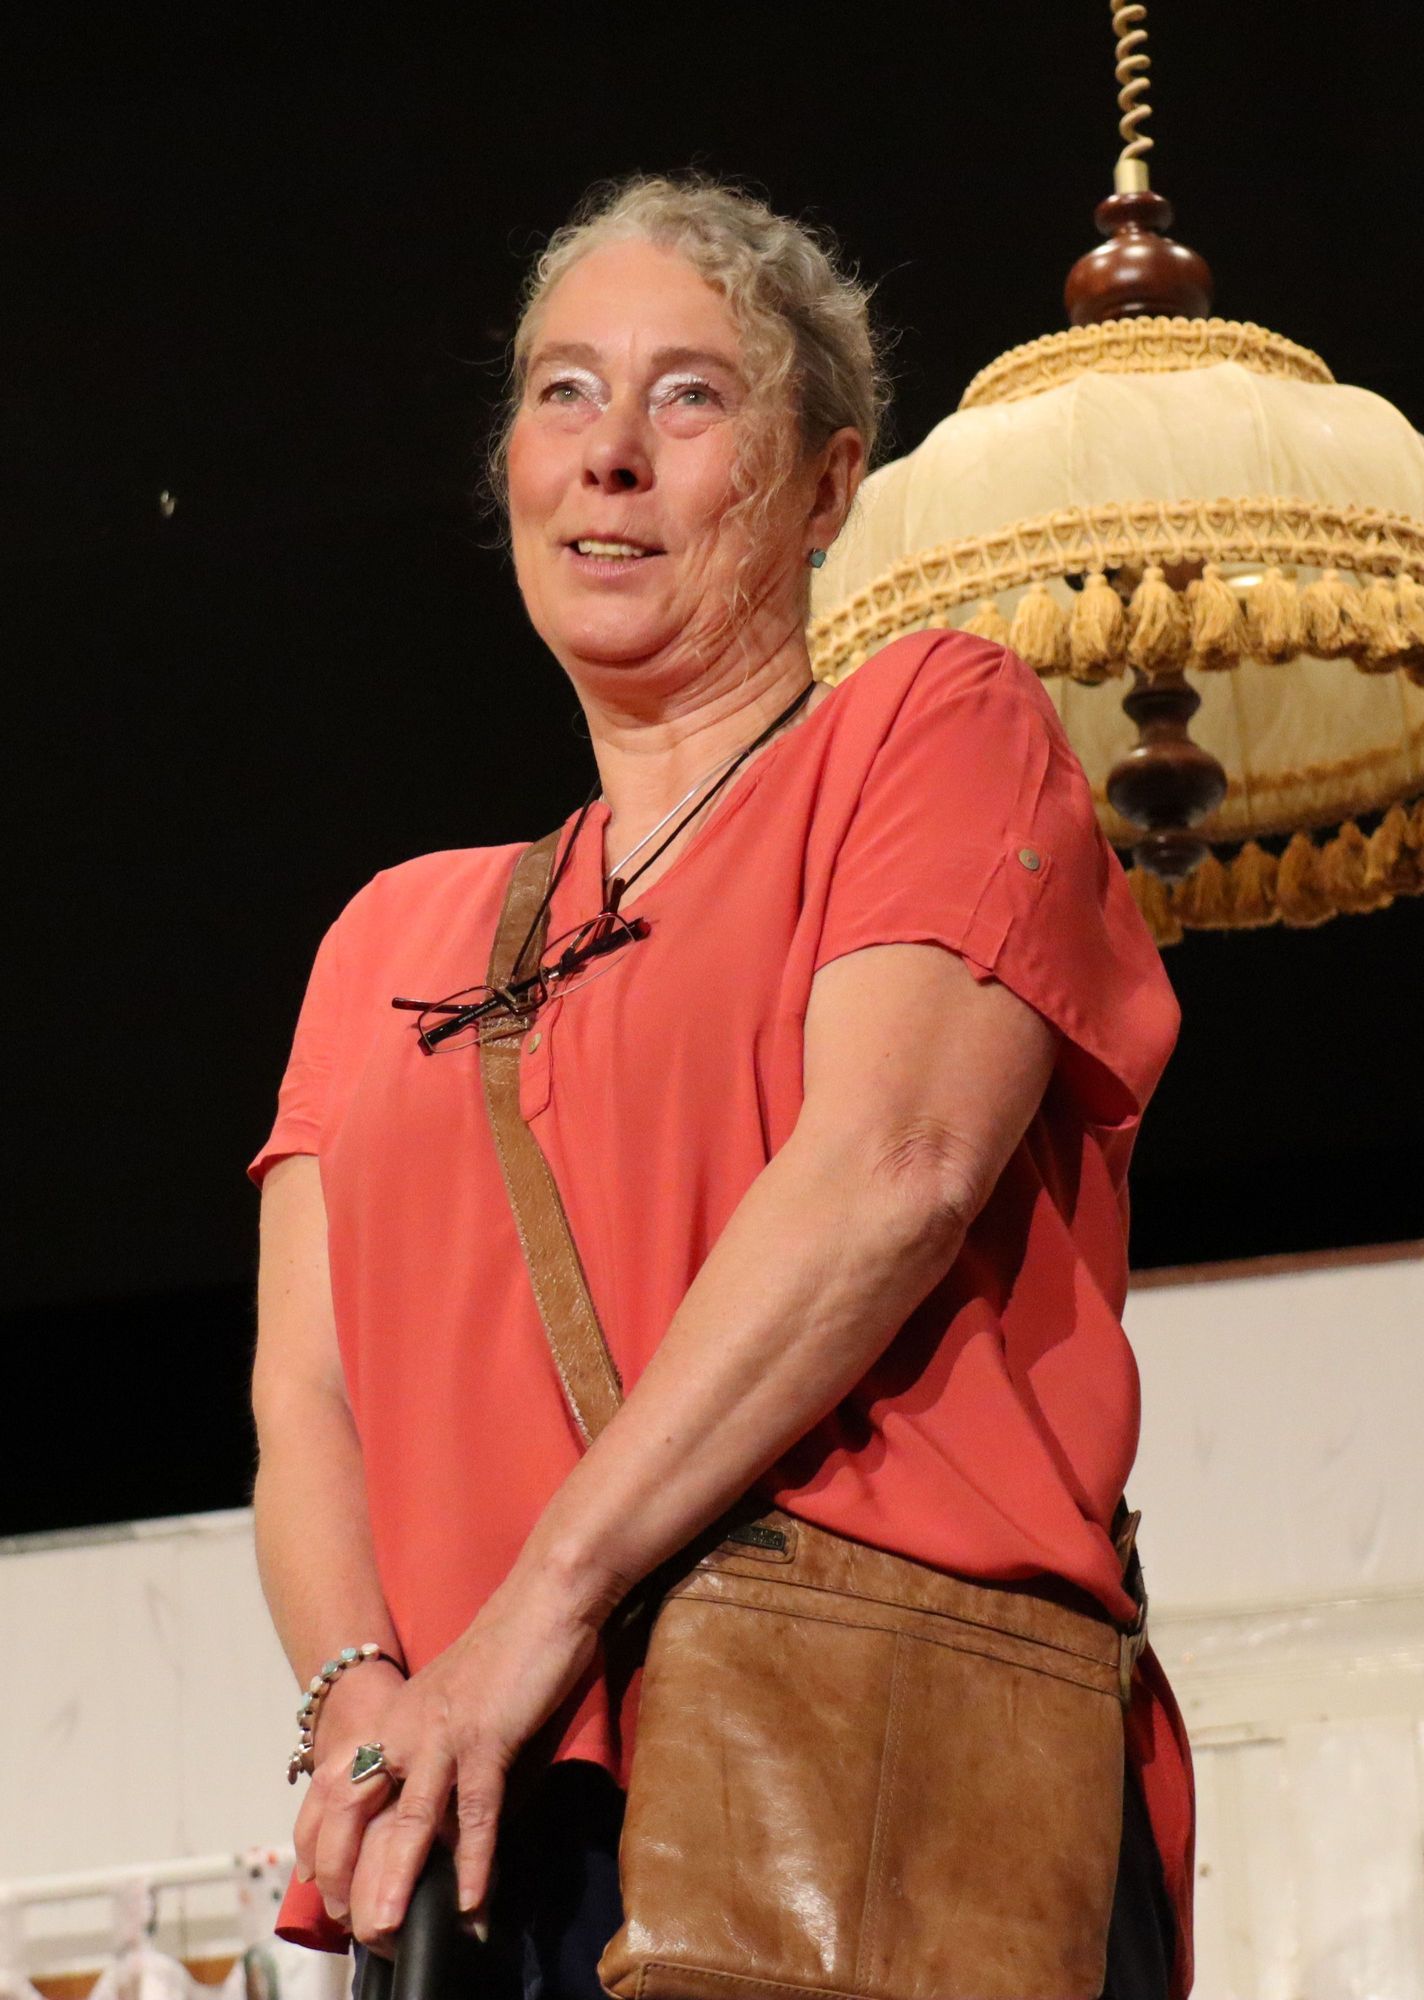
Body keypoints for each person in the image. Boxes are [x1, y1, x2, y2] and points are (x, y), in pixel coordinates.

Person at [250, 174, 1195, 2000]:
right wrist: (362, 1701)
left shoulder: (930, 732)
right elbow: (308, 1396)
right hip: (477, 1821)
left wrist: (539, 1613)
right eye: (563, 391)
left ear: (829, 486)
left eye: (690, 397)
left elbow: (894, 1167)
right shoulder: (385, 936)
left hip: (866, 1785)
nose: (610, 452)